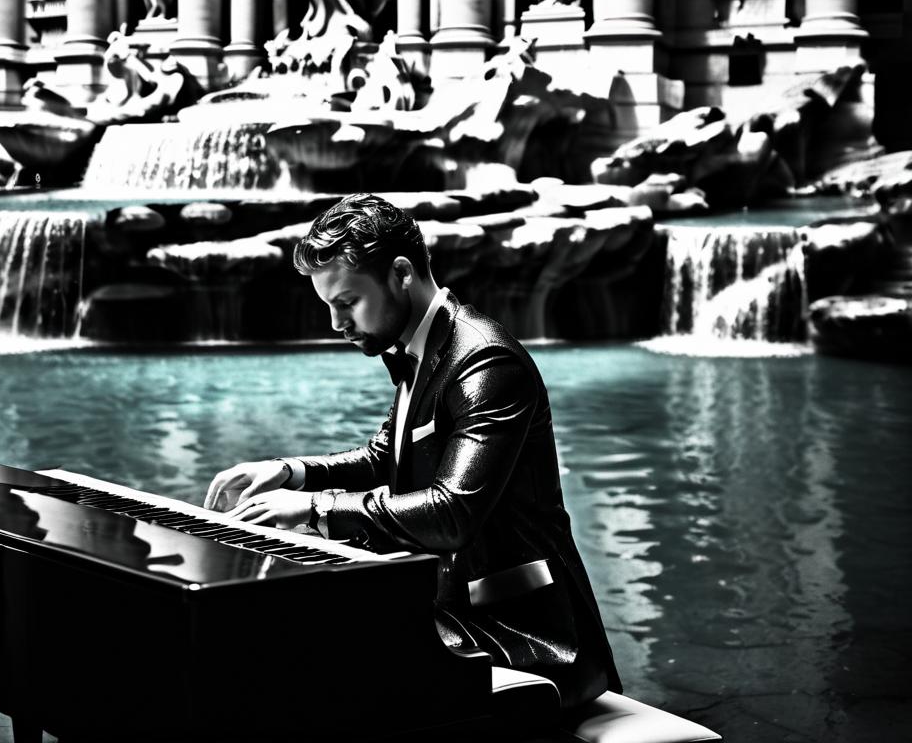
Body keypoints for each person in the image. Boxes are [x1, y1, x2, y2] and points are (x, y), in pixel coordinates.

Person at [205, 194, 620, 710]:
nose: (337, 324)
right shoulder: (420, 346)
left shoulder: (485, 364)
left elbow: (453, 512)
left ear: (401, 273)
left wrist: (317, 511)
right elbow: (387, 458)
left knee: (321, 661)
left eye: (346, 302)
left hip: (529, 633)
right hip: (458, 610)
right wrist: (290, 473)